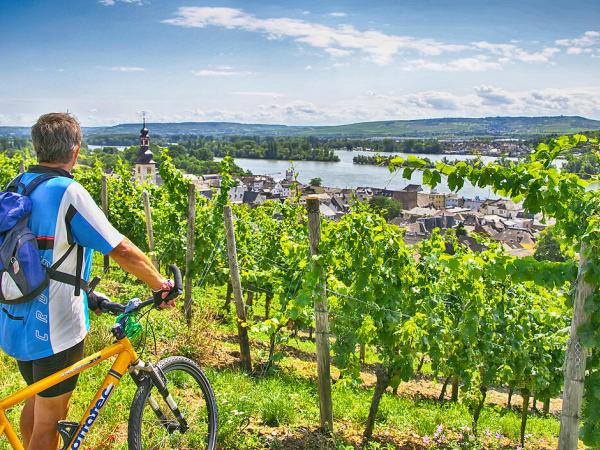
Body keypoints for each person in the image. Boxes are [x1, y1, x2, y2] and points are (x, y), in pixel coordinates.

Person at [0, 112, 177, 450]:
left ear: (37, 147)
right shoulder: (69, 192)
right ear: (75, 151)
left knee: (37, 400)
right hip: (54, 329)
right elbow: (121, 249)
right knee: (49, 420)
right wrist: (160, 285)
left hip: (15, 316)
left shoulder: (18, 184)